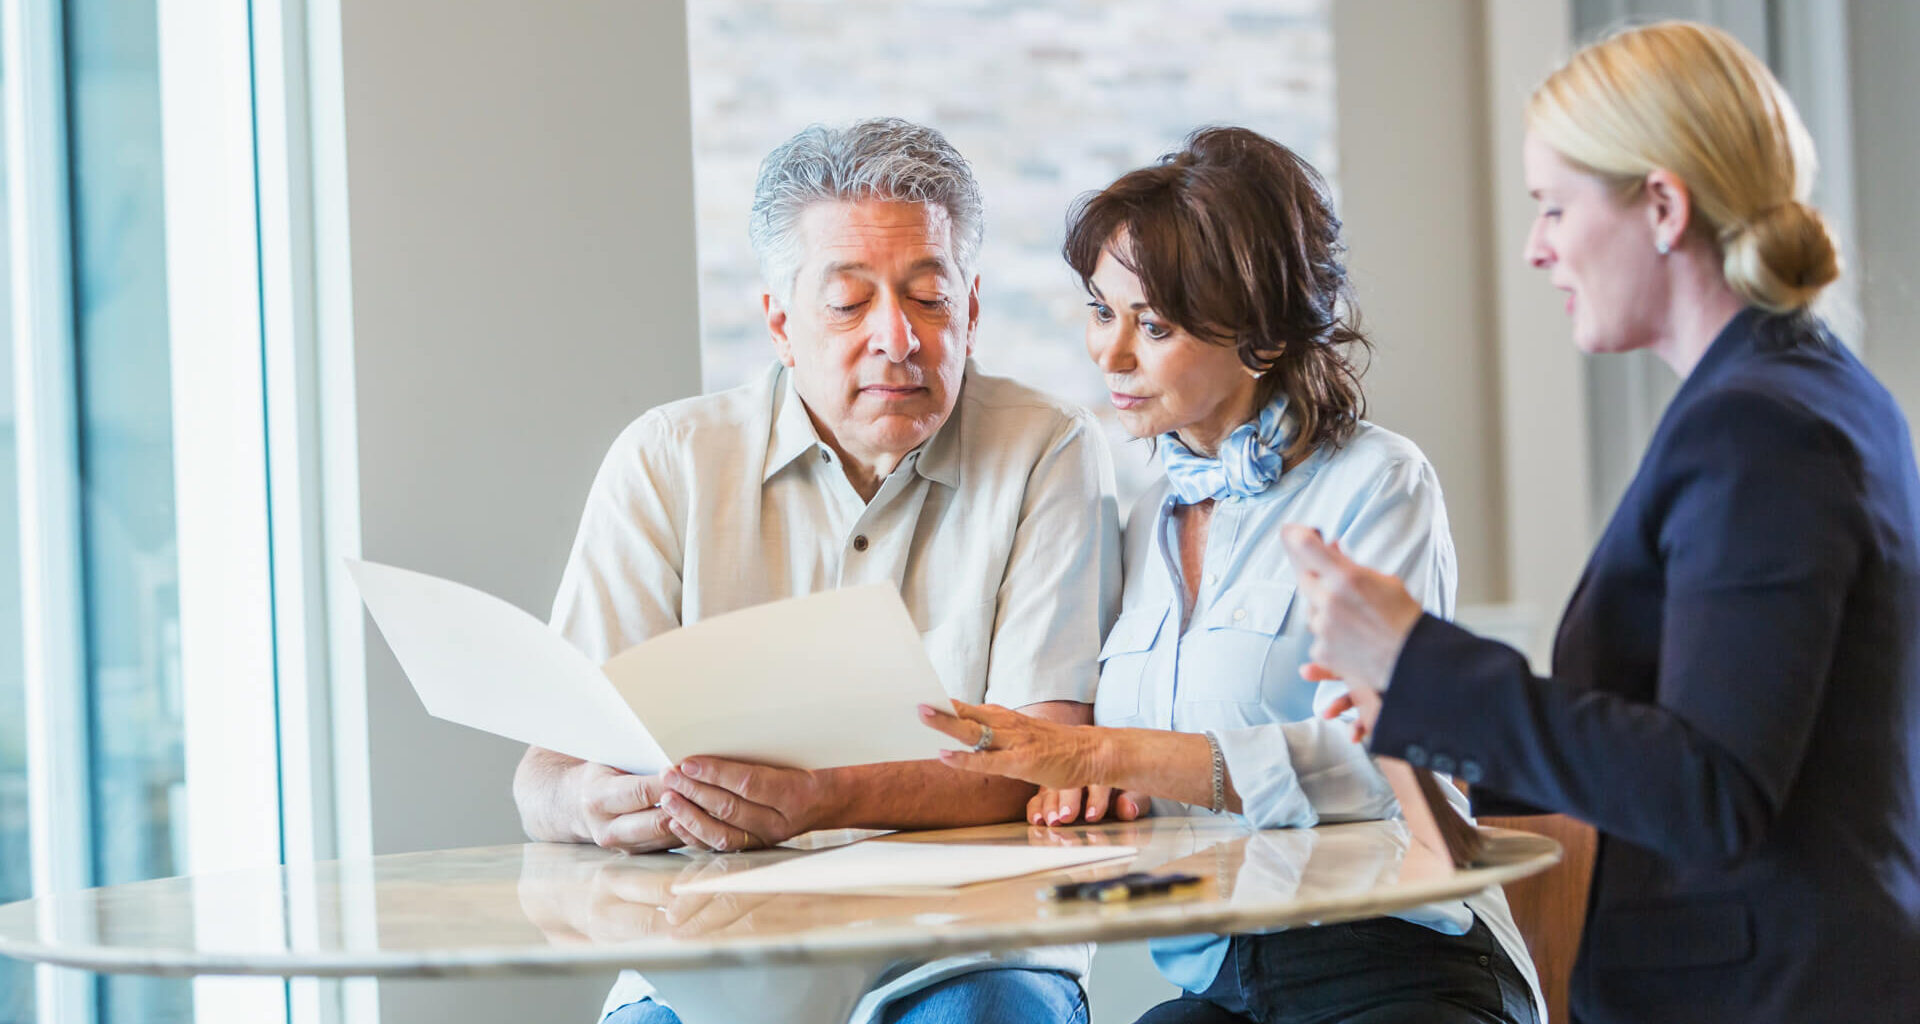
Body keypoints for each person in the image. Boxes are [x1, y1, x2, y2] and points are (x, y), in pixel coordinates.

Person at [1279, 21, 1920, 1024]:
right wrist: (1423, 714)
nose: (1536, 249)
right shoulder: (1800, 392)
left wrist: (1417, 662)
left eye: (1553, 207)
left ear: (1663, 205)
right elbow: (1665, 748)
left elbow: (1710, 789)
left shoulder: (1759, 427)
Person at [921, 126, 1542, 1024]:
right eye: (1101, 311)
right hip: (1223, 983)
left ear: (1261, 335)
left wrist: (1110, 753)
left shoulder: (1379, 483)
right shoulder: (1140, 520)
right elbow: (1131, 777)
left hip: (1398, 961)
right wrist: (1090, 788)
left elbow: (1381, 763)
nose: (1111, 353)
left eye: (1155, 326)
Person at [516, 118, 1120, 1024]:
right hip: (712, 959)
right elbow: (545, 774)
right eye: (847, 303)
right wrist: (589, 802)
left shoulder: (1049, 449)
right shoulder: (667, 459)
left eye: (930, 298)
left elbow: (1046, 755)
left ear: (972, 312)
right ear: (780, 324)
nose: (898, 338)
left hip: (971, 949)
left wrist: (820, 798)